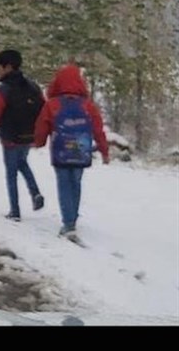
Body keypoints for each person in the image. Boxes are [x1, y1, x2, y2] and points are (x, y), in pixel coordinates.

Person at [34, 63, 109, 239]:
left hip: (61, 152)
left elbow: (41, 126)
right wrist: (104, 151)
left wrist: (39, 142)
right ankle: (73, 218)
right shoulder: (88, 106)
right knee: (76, 183)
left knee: (63, 184)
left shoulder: (52, 105)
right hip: (81, 152)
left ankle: (68, 223)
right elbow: (98, 130)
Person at [0, 49, 46, 222]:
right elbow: (44, 108)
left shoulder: (4, 89)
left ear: (7, 67)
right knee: (22, 163)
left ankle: (15, 210)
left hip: (10, 136)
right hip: (28, 135)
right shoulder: (33, 86)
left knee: (11, 172)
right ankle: (35, 193)